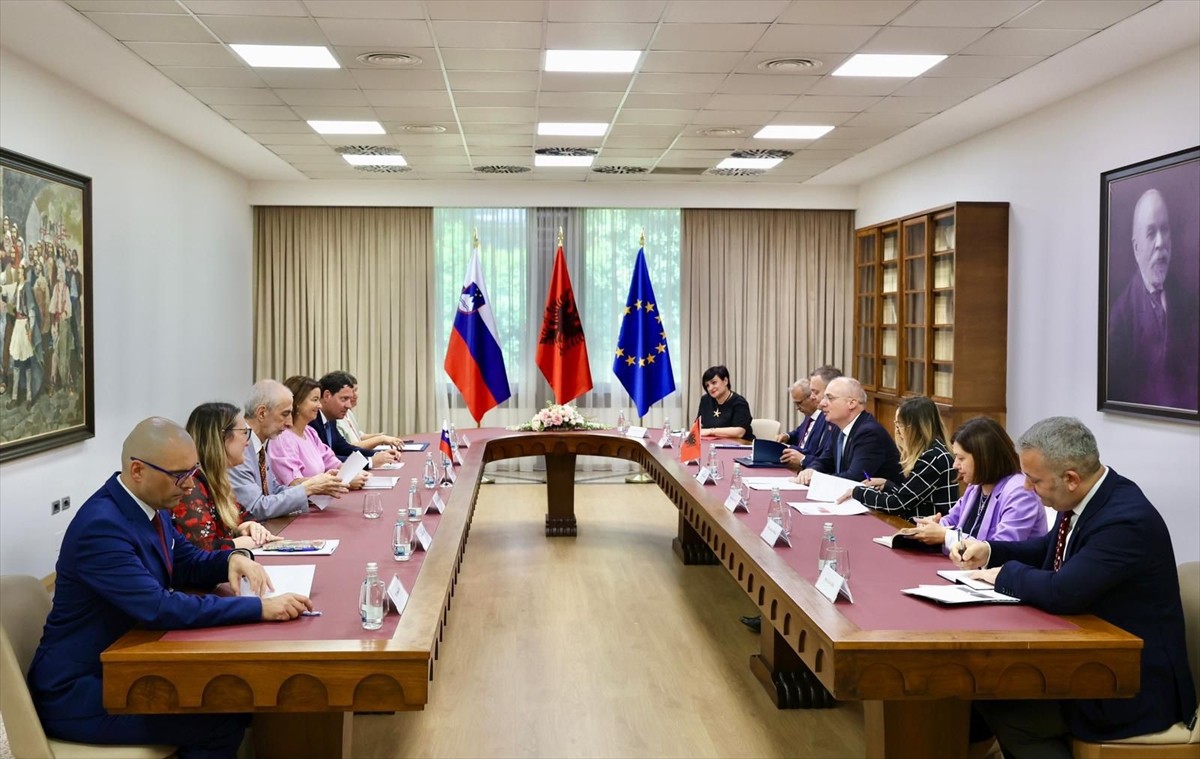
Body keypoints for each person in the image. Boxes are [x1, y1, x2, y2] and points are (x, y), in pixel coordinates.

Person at [28, 417, 312, 758]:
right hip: (82, 691)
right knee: (221, 719)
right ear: (137, 471)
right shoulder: (101, 527)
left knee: (232, 698)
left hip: (125, 664)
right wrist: (260, 607)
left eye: (193, 472)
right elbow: (159, 607)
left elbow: (186, 562)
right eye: (181, 476)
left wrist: (231, 559)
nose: (191, 486)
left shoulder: (151, 505)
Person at [954, 417, 1195, 758]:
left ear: (1070, 479)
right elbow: (1047, 550)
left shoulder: (1124, 520)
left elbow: (1062, 591)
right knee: (983, 688)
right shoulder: (1090, 498)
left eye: (1034, 480)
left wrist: (1003, 574)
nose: (1025, 488)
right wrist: (991, 550)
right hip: (1094, 658)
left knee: (1007, 708)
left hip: (1131, 685)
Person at [1107, 188, 1199, 409]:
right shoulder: (1120, 319)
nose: (1160, 242)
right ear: (1136, 248)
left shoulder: (1189, 303)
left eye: (1164, 230)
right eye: (1151, 233)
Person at [901, 416, 1046, 549]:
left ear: (984, 458)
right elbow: (952, 519)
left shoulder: (1019, 492)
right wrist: (934, 525)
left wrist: (945, 536)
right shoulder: (976, 486)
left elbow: (1000, 548)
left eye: (961, 458)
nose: (955, 465)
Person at [229, 379, 348, 520]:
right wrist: (307, 489)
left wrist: (316, 485)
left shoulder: (259, 446)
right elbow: (254, 509)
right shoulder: (238, 448)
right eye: (285, 414)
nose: (290, 423)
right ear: (261, 413)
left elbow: (274, 491)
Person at [172, 402, 277, 552]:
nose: (247, 442)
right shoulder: (191, 485)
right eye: (244, 432)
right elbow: (202, 549)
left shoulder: (217, 479)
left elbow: (242, 515)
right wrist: (245, 542)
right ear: (221, 437)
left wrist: (249, 526)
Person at [839, 395, 956, 520]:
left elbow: (898, 504)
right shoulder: (932, 450)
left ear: (915, 427)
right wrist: (887, 485)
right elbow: (911, 496)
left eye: (899, 424)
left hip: (931, 530)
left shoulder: (932, 458)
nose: (897, 430)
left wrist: (858, 492)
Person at [796, 376, 903, 485]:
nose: (822, 403)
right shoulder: (839, 428)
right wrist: (811, 470)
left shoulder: (869, 433)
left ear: (852, 403)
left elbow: (854, 478)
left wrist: (816, 480)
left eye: (830, 398)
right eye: (824, 398)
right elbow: (825, 461)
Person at [270, 375, 369, 490]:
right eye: (315, 400)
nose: (320, 405)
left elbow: (331, 461)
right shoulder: (282, 438)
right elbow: (294, 483)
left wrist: (356, 473)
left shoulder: (310, 432)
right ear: (297, 402)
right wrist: (342, 481)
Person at [310, 370, 399, 467]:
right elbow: (327, 460)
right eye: (344, 399)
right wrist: (370, 461)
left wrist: (377, 454)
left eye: (349, 399)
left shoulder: (330, 419)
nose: (348, 405)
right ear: (327, 396)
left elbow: (344, 448)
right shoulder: (312, 421)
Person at [781, 365, 841, 472]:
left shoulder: (834, 421)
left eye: (815, 392)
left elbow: (831, 466)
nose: (812, 397)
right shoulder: (823, 416)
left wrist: (803, 459)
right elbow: (824, 461)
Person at [336, 376, 403, 449]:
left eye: (356, 390)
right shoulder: (337, 417)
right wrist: (380, 439)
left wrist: (380, 436)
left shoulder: (348, 412)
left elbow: (359, 436)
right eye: (353, 391)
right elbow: (347, 448)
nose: (355, 395)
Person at [696, 364, 753, 440]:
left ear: (725, 381)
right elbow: (698, 426)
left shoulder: (739, 402)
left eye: (714, 383)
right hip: (712, 445)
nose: (710, 388)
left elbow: (740, 432)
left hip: (740, 446)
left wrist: (711, 431)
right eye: (707, 385)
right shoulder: (705, 400)